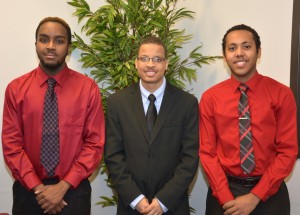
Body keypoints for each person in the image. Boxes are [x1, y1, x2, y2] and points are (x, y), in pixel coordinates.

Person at [1, 17, 105, 215]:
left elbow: (94, 144)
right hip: (28, 191)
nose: (50, 46)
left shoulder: (88, 89)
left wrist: (63, 186)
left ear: (68, 47)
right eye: (44, 39)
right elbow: (11, 145)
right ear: (36, 44)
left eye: (59, 41)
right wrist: (39, 189)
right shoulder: (16, 89)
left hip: (74, 191)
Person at [199, 24, 298, 215]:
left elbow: (287, 151)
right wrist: (226, 197)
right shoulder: (210, 98)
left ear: (258, 52)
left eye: (246, 46)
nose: (239, 53)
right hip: (224, 192)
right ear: (224, 55)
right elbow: (207, 153)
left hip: (269, 193)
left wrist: (256, 196)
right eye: (232, 48)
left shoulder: (281, 94)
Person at [105, 36, 199, 215]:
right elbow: (113, 156)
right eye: (144, 58)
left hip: (173, 206)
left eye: (157, 59)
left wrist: (163, 201)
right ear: (136, 63)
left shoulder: (187, 103)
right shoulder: (117, 103)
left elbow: (189, 158)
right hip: (131, 207)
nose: (150, 64)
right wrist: (136, 199)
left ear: (166, 64)